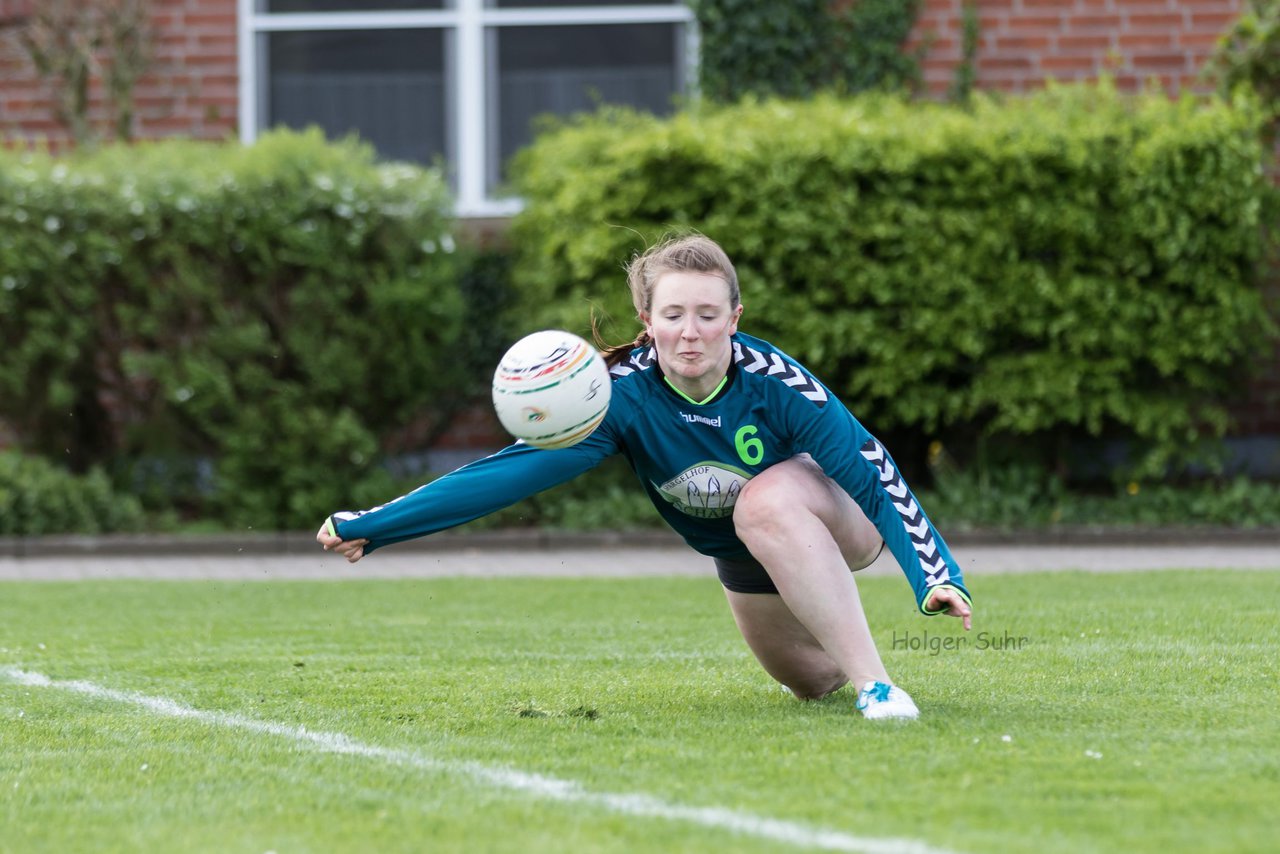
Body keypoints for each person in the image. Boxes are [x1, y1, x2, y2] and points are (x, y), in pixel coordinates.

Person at [317, 234, 973, 720]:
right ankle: (841, 670)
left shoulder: (774, 382)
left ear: (734, 321)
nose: (691, 333)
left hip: (837, 522)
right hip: (742, 556)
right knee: (809, 683)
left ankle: (879, 687)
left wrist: (934, 575)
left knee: (764, 498)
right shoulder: (619, 399)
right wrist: (377, 528)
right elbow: (508, 475)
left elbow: (869, 468)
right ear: (648, 323)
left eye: (709, 316)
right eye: (674, 316)